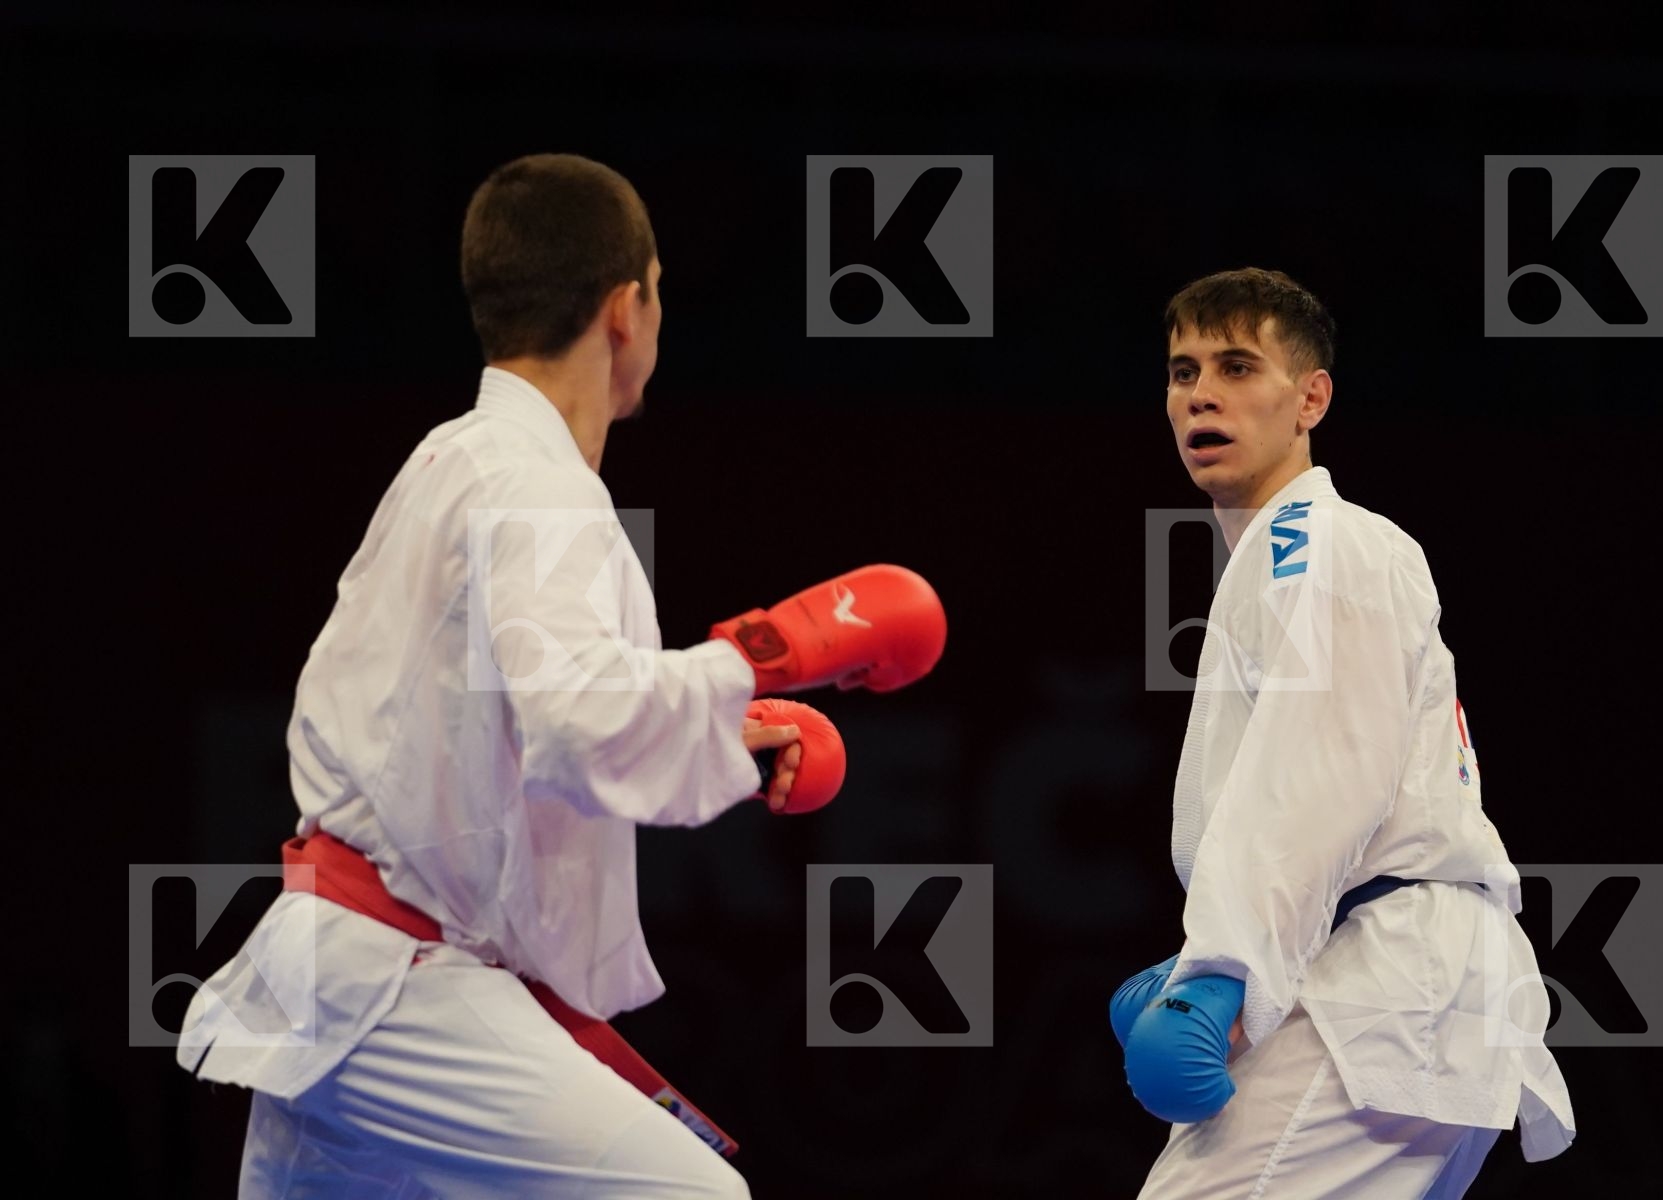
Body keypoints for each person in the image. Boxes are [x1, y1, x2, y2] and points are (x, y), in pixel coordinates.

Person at [175, 153, 944, 1198]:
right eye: (659, 292)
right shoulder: (540, 490)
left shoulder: (454, 459)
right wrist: (776, 647)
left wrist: (721, 735)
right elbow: (580, 724)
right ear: (626, 309)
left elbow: (502, 727)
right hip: (398, 989)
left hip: (345, 979)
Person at [1109, 268, 1575, 1197]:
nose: (1201, 393)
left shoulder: (1313, 542)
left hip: (1377, 994)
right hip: (1400, 986)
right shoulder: (1290, 553)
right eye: (1183, 371)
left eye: (1238, 367)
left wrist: (1222, 972)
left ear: (1310, 398)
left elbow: (1321, 780)